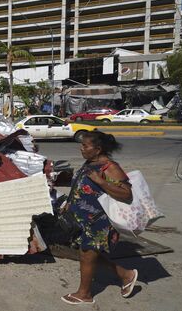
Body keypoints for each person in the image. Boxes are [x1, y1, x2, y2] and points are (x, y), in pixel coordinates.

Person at [61, 131, 138, 305]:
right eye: (82, 145)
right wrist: (69, 203)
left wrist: (101, 181)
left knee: (87, 255)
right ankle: (126, 275)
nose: (81, 149)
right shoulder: (90, 162)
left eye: (85, 146)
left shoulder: (109, 167)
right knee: (88, 255)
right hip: (83, 219)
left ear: (98, 149)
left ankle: (84, 294)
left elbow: (126, 193)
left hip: (98, 221)